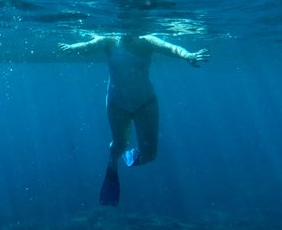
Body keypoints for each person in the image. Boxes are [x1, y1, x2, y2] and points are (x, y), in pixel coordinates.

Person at [59, 31, 209, 206]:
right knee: (119, 144)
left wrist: (188, 56)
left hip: (145, 103)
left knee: (150, 155)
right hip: (117, 103)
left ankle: (128, 159)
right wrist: (71, 48)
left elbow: (170, 48)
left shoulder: (146, 40)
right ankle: (112, 166)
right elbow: (88, 46)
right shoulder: (109, 40)